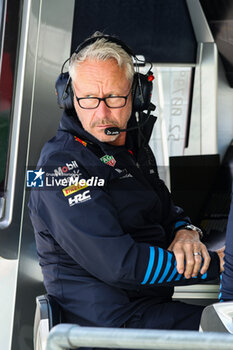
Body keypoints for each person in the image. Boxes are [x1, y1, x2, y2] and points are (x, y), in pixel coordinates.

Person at [28, 32, 224, 333]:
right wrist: (215, 263)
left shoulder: (129, 150)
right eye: (89, 99)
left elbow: (164, 209)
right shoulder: (61, 168)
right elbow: (122, 265)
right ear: (69, 98)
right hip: (106, 328)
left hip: (146, 312)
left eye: (114, 98)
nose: (102, 113)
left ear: (137, 95)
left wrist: (187, 232)